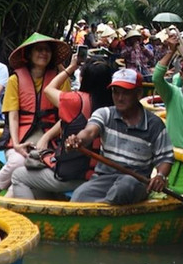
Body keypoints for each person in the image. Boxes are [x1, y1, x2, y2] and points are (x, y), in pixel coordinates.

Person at [64, 67, 174, 205]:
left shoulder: (154, 124)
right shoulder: (105, 114)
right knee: (80, 195)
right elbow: (89, 132)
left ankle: (103, 207)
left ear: (138, 94)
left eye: (126, 93)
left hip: (136, 182)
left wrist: (160, 176)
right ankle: (104, 207)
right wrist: (78, 140)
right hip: (104, 178)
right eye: (116, 92)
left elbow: (165, 158)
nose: (120, 98)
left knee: (124, 187)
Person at [9, 54, 113, 199]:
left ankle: (28, 213)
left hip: (75, 178)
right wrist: (47, 136)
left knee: (18, 176)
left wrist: (71, 67)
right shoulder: (114, 106)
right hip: (101, 175)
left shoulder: (76, 101)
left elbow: (48, 90)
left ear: (83, 78)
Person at [0, 32, 71, 194]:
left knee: (28, 169)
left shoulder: (61, 80)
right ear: (29, 54)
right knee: (17, 162)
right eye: (39, 49)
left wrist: (46, 138)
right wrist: (16, 144)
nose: (44, 53)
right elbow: (13, 115)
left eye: (47, 50)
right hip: (21, 136)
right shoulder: (15, 79)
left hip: (52, 137)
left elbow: (67, 116)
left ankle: (2, 202)